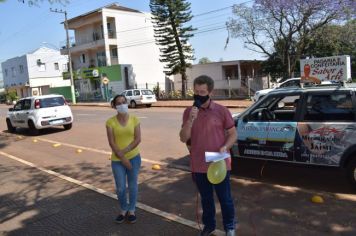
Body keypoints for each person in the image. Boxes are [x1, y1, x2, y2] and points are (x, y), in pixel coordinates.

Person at [179, 75, 238, 236]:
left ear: (210, 92)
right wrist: (191, 119)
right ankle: (209, 226)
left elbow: (233, 134)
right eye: (196, 91)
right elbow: (183, 138)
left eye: (202, 91)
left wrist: (225, 146)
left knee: (225, 198)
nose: (199, 95)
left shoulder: (221, 110)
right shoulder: (188, 112)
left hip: (219, 162)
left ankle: (230, 226)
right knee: (206, 199)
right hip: (199, 163)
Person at [106, 94, 141, 224]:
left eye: (123, 102)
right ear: (115, 106)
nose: (121, 105)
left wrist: (125, 153)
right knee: (120, 187)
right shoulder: (110, 122)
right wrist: (122, 158)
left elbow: (138, 139)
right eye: (118, 103)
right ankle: (123, 209)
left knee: (132, 186)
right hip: (117, 160)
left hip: (134, 158)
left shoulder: (135, 119)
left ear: (126, 103)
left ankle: (131, 210)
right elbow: (111, 142)